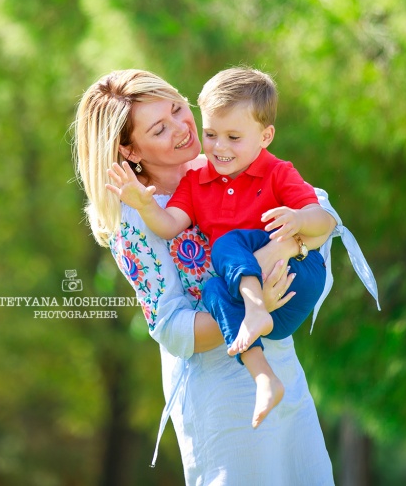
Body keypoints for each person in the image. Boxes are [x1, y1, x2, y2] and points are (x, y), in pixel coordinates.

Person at [73, 69, 379, 485]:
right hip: (219, 390)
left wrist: (285, 248)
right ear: (129, 150)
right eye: (159, 129)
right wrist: (254, 304)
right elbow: (171, 327)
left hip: (281, 363)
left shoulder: (221, 161)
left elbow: (318, 210)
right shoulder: (133, 222)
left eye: (178, 108)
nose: (182, 127)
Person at [106, 67, 335, 429]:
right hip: (237, 357)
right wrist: (146, 205)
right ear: (130, 149)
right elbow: (168, 226)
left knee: (227, 245)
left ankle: (254, 311)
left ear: (265, 136)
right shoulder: (194, 183)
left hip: (295, 282)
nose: (218, 146)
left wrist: (297, 224)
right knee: (214, 289)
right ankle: (264, 378)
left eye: (177, 109)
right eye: (211, 134)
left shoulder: (269, 170)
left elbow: (326, 221)